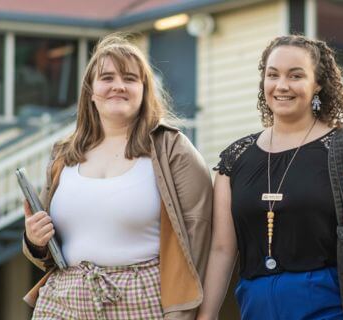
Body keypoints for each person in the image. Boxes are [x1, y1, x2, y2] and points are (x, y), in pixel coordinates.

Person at [21, 33, 213, 320]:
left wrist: (184, 314)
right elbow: (49, 249)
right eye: (107, 77)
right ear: (90, 90)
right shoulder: (63, 154)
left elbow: (200, 236)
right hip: (64, 296)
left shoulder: (171, 148)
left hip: (142, 299)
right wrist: (34, 239)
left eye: (130, 78)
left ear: (144, 90)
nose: (118, 86)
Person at [197, 35, 343, 320]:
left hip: (329, 308)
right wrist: (206, 316)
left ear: (318, 84)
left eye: (296, 75)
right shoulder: (235, 159)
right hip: (255, 308)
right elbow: (222, 249)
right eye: (273, 75)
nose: (282, 85)